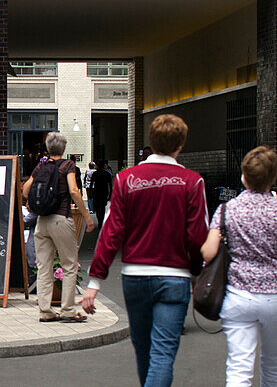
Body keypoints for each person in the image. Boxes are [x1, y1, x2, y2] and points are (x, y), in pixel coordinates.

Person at [82, 114, 209, 387]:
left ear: (151, 142)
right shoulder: (192, 182)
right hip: (175, 275)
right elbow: (197, 235)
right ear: (180, 145)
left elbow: (112, 232)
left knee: (143, 350)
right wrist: (196, 272)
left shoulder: (126, 180)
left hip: (136, 275)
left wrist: (95, 281)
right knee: (163, 353)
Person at [201, 146, 277, 386]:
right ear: (273, 178)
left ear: (244, 176)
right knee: (273, 366)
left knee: (239, 367)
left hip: (238, 295)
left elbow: (210, 251)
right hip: (274, 296)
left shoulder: (227, 210)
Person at [31, 130, 95, 322]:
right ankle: (67, 310)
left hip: (42, 222)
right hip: (61, 218)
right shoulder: (67, 165)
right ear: (64, 147)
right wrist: (87, 217)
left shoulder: (40, 167)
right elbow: (74, 191)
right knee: (68, 265)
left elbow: (26, 189)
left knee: (44, 267)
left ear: (48, 148)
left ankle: (45, 311)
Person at [90, 159, 112, 227]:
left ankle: (99, 219)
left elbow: (91, 183)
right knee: (102, 207)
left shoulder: (95, 174)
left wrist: (91, 192)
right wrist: (110, 193)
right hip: (104, 192)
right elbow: (110, 185)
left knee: (97, 207)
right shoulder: (107, 174)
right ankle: (101, 219)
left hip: (96, 192)